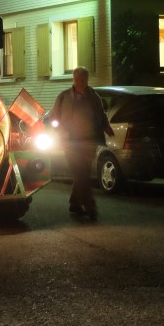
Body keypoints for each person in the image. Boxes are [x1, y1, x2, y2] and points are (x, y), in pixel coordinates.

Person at [50, 66, 113, 221]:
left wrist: (106, 127)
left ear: (87, 79)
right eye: (77, 79)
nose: (80, 82)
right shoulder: (64, 97)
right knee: (81, 173)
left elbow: (101, 114)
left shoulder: (94, 97)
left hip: (89, 141)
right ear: (73, 79)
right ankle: (90, 205)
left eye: (83, 79)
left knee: (82, 173)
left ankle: (75, 204)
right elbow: (53, 118)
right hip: (71, 142)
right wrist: (61, 131)